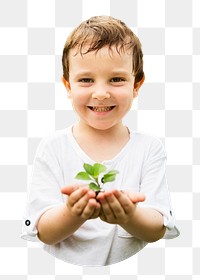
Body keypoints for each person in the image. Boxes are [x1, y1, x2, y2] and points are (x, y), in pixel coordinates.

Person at [21, 15, 179, 266]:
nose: (101, 92)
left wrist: (129, 216)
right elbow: (44, 232)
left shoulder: (149, 149)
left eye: (116, 79)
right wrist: (73, 214)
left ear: (136, 85)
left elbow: (157, 228)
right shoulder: (53, 148)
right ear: (68, 85)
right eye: (86, 80)